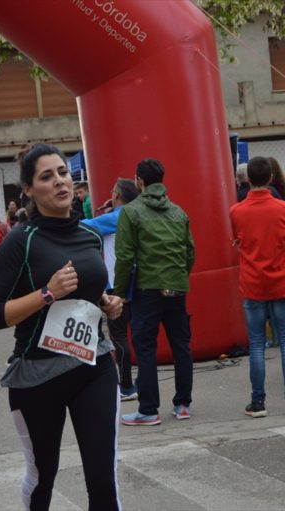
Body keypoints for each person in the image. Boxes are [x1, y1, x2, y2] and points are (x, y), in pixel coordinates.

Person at [0, 143, 124, 510]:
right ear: (28, 190)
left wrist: (108, 304)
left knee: (103, 482)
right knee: (43, 477)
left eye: (63, 172)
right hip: (38, 375)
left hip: (94, 367)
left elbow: (92, 293)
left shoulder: (89, 235)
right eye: (47, 176)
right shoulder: (20, 242)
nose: (60, 182)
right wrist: (46, 294)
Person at [114, 158, 196, 426]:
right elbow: (190, 252)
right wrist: (179, 275)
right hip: (177, 286)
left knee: (146, 348)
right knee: (181, 346)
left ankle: (148, 410)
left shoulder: (131, 211)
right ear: (162, 179)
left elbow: (124, 256)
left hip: (146, 288)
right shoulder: (179, 212)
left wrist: (118, 292)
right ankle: (183, 404)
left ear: (139, 180)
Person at [230, 156, 285, 418]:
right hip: (281, 280)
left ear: (247, 179)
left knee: (256, 344)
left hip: (253, 283)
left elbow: (237, 242)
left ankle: (258, 402)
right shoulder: (283, 208)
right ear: (270, 178)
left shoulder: (236, 211)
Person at [81, 178, 140, 401]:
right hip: (140, 281)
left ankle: (126, 386)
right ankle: (139, 383)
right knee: (139, 336)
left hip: (117, 283)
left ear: (116, 194)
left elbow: (85, 225)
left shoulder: (116, 216)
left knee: (118, 335)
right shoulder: (135, 213)